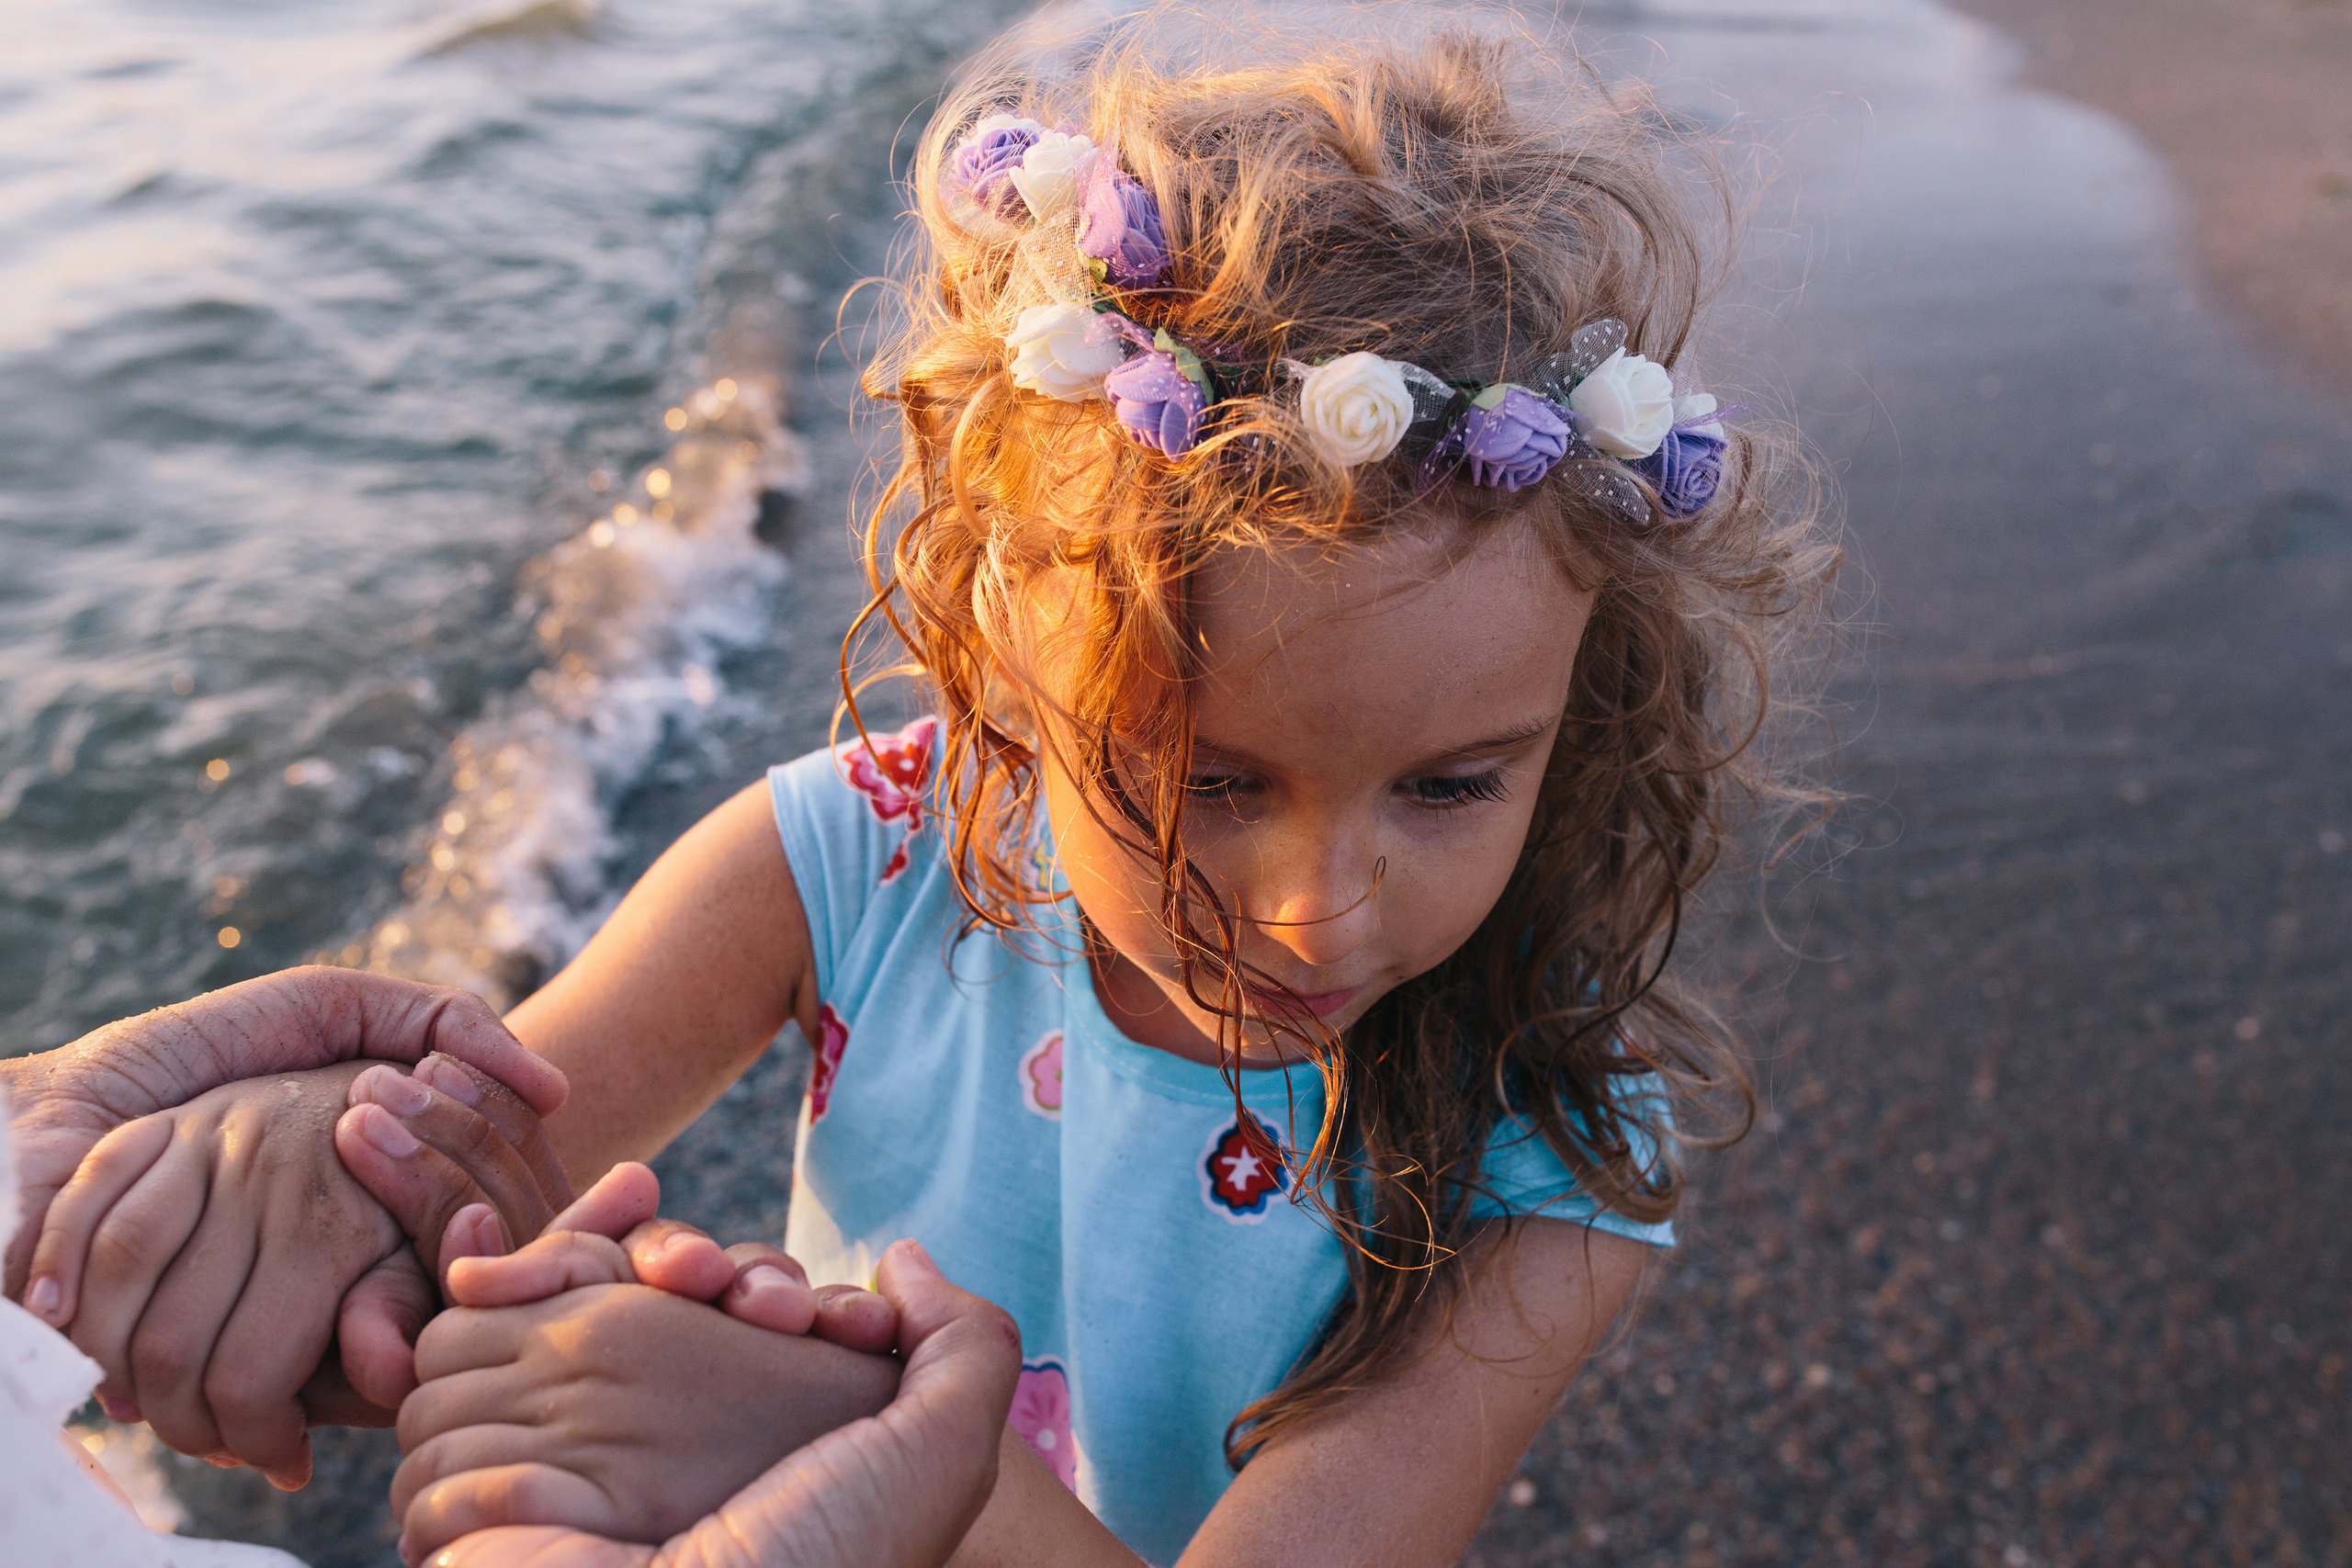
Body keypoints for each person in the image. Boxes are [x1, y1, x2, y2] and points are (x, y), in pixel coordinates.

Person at [13, 10, 1836, 1564]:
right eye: (1205, 774)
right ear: (1003, 656)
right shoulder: (852, 854)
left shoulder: (1557, 1142)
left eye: (1447, 783)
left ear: (1574, 713)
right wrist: (286, 1164)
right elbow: (459, 1206)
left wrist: (856, 1430)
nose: (1315, 903)